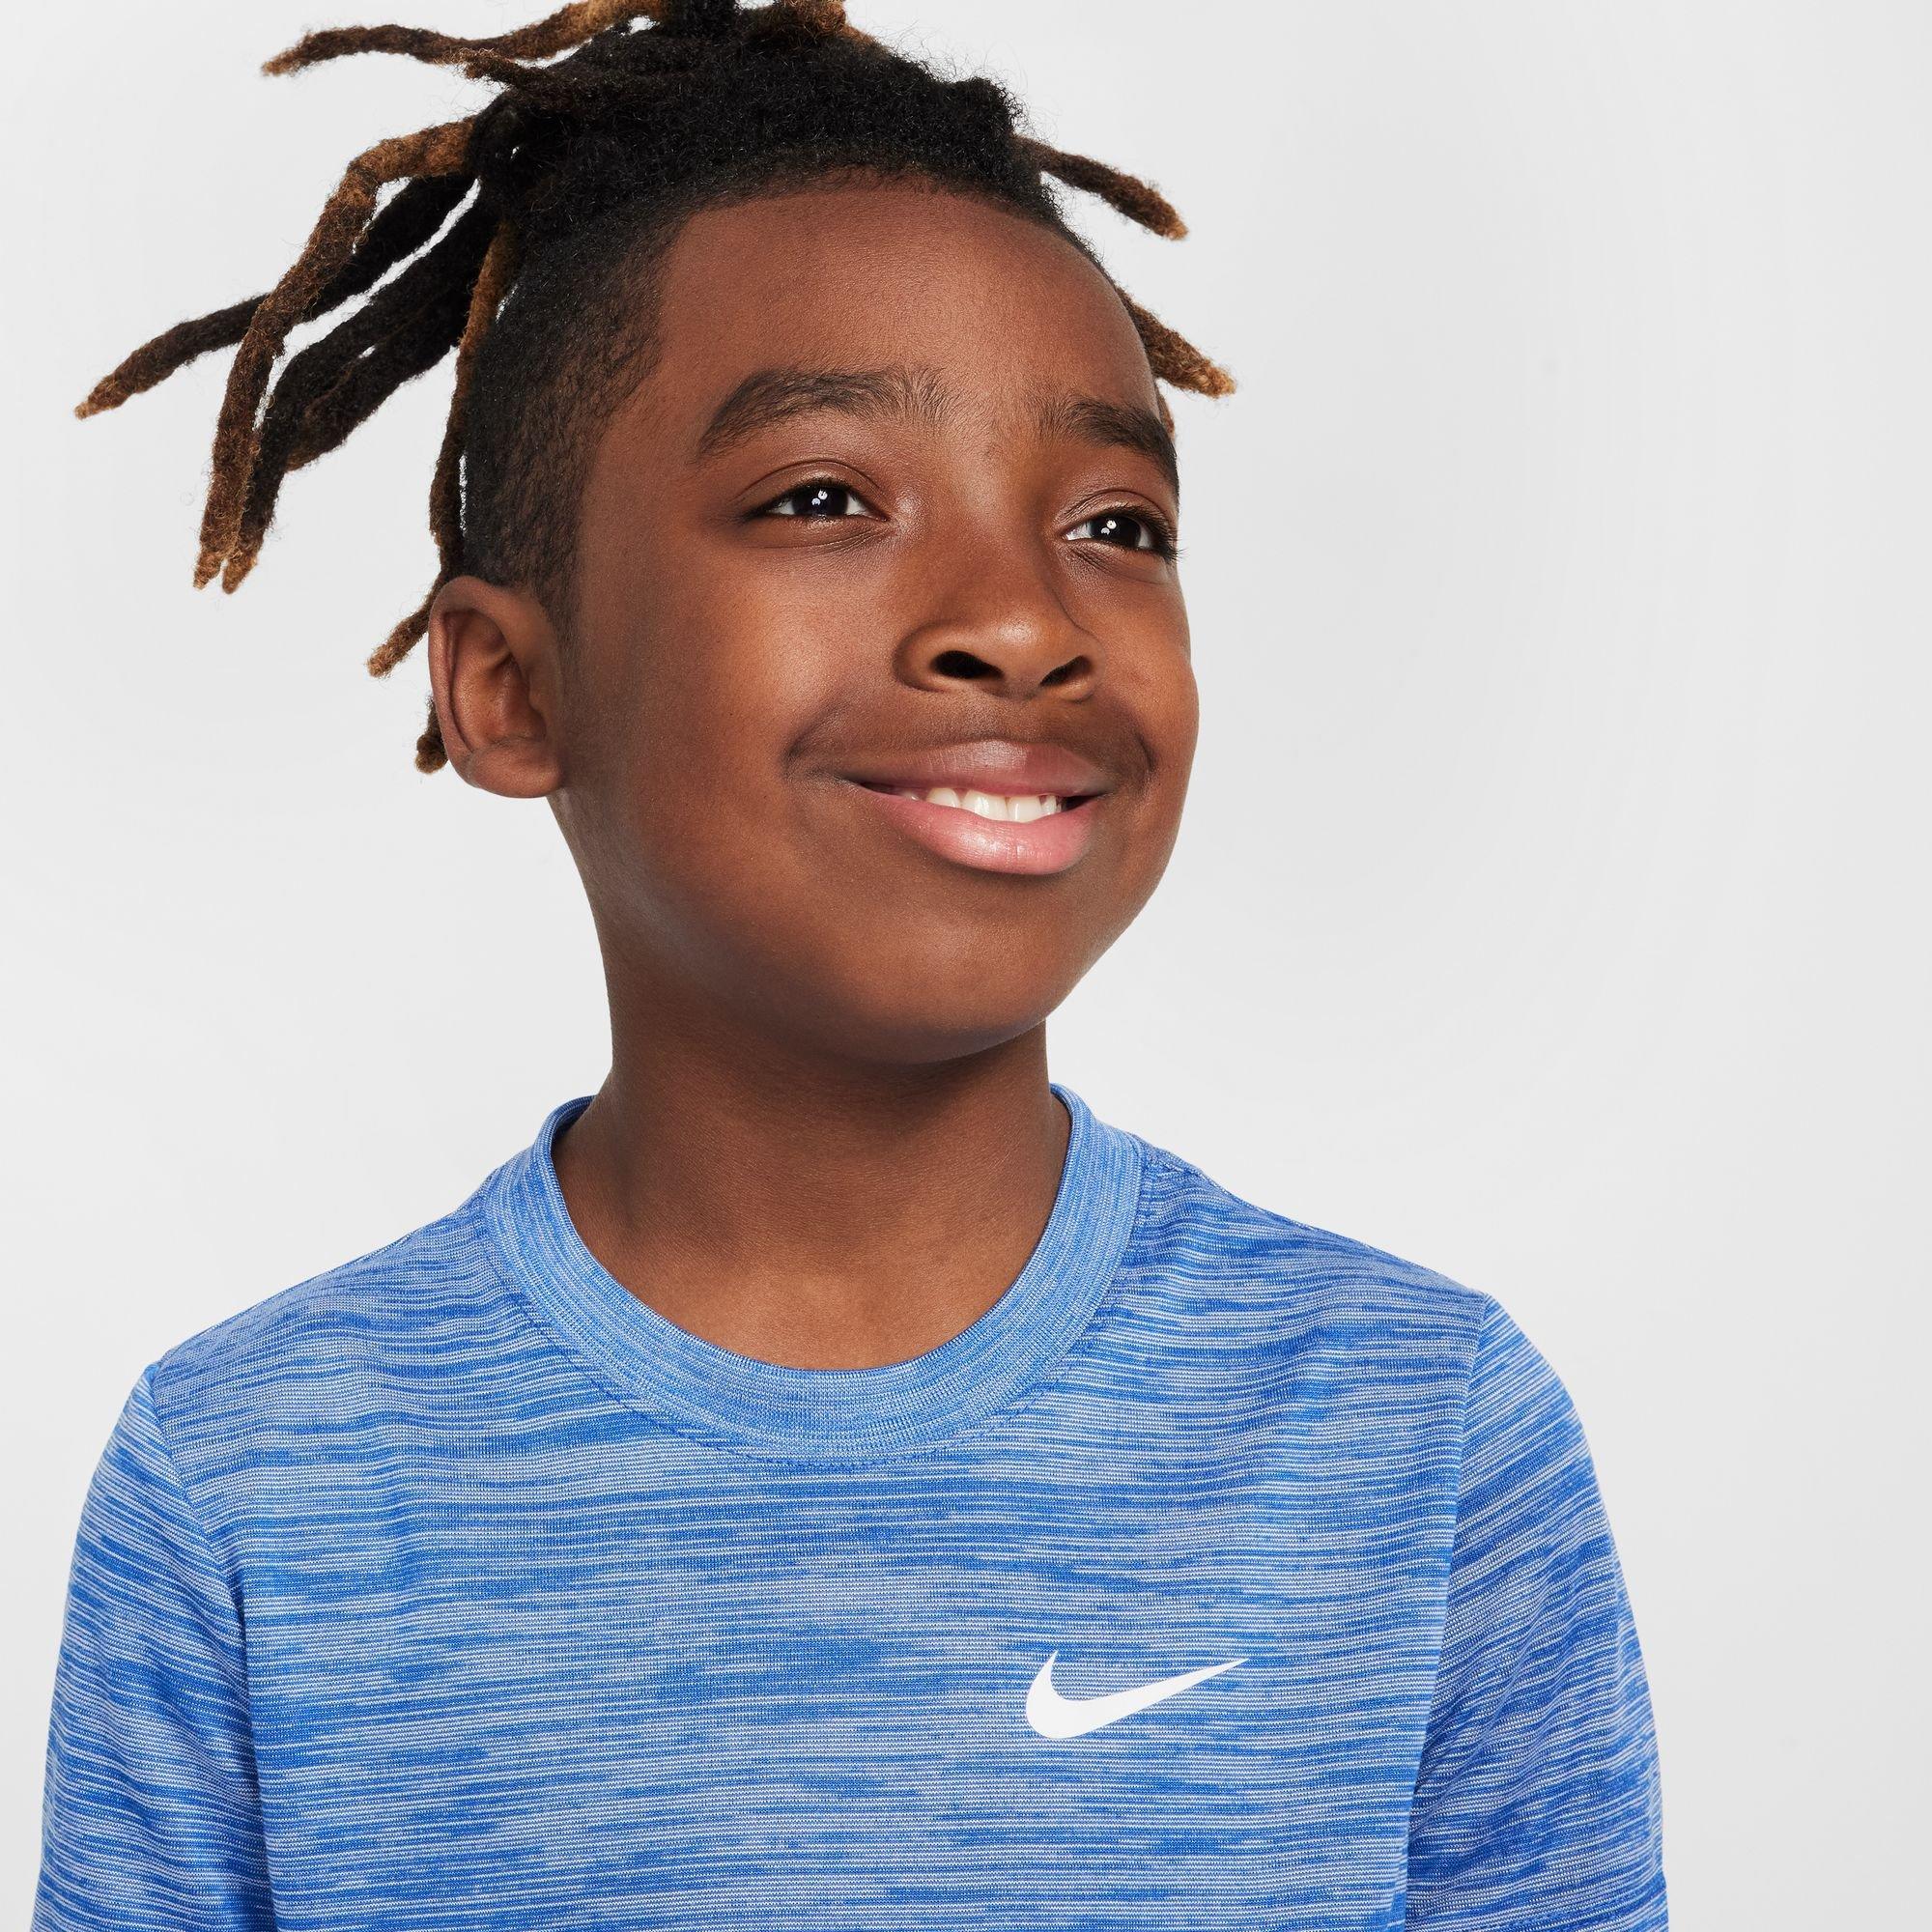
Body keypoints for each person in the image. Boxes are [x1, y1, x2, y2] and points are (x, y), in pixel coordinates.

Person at [35, 3, 1667, 1926]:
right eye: (823, 498)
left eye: (1114, 523)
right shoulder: (254, 1483)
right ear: (511, 686)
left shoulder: (1414, 1435)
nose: (1019, 620)